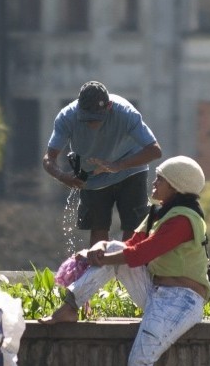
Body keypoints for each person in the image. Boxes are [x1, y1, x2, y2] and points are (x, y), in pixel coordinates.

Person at [39, 156, 210, 366]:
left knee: (141, 360)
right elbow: (131, 244)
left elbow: (144, 253)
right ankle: (70, 305)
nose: (154, 183)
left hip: (182, 299)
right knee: (113, 247)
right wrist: (98, 250)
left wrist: (101, 258)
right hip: (158, 292)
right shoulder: (159, 212)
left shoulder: (184, 219)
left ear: (177, 186)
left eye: (160, 179)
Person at [43, 81, 162, 246]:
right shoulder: (67, 117)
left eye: (98, 118)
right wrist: (63, 177)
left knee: (133, 227)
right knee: (97, 228)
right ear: (79, 109)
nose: (93, 124)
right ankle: (99, 269)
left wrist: (118, 166)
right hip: (92, 176)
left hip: (130, 168)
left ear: (109, 106)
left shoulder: (126, 113)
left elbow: (155, 151)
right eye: (87, 119)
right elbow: (49, 158)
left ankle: (127, 270)